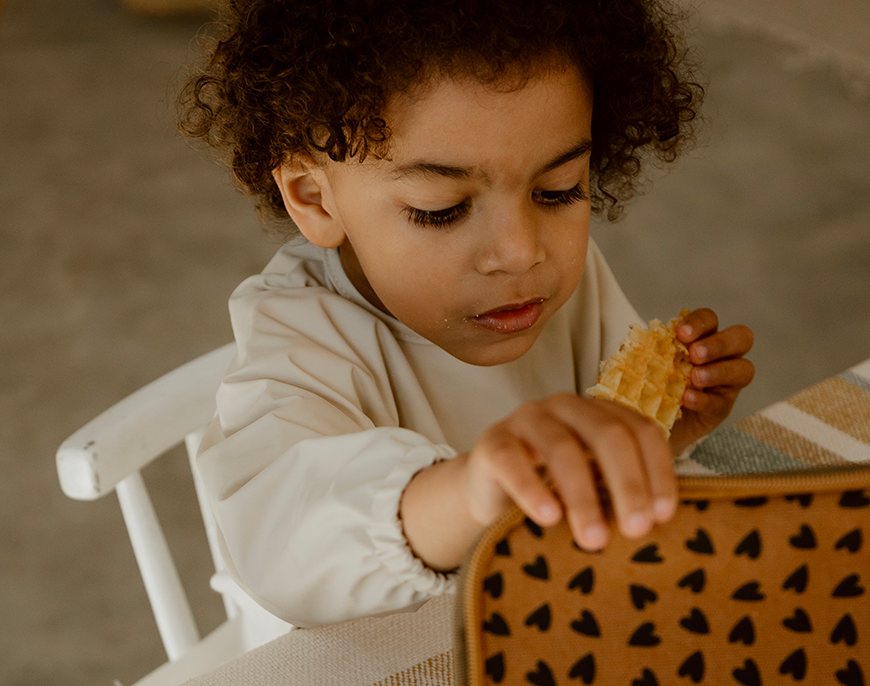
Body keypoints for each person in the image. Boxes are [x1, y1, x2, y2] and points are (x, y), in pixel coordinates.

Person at [179, 0, 755, 627]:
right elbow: (279, 544)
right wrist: (476, 489)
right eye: (441, 208)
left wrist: (654, 433)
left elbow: (595, 446)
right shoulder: (297, 340)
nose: (520, 251)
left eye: (557, 191)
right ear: (315, 197)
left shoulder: (554, 279)